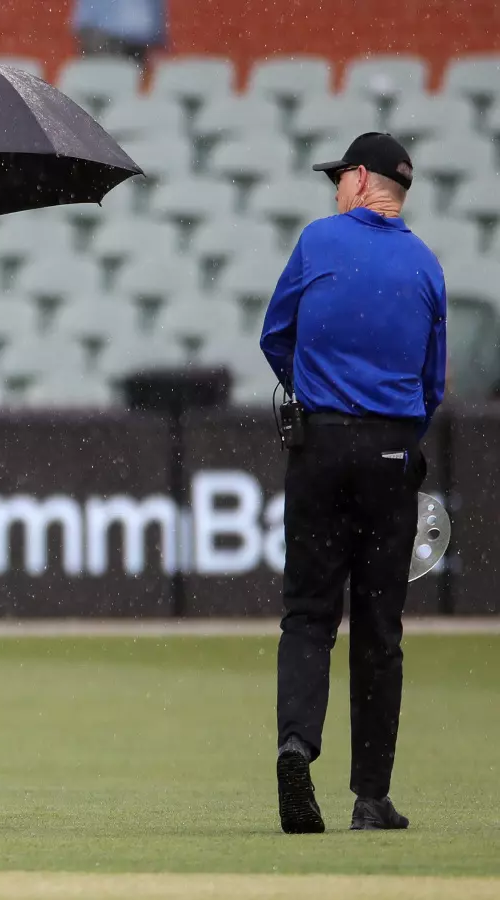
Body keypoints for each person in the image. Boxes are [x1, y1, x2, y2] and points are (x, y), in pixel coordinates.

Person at [260, 132, 446, 835]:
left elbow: (274, 336)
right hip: (394, 455)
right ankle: (371, 797)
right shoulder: (427, 266)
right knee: (379, 628)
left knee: (308, 614)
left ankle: (294, 747)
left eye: (339, 176)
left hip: (320, 446)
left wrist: (314, 391)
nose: (335, 188)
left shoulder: (318, 242)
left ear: (361, 178)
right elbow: (431, 388)